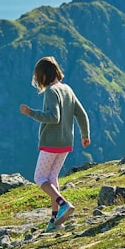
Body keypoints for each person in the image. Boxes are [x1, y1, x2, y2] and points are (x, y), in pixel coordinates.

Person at [19, 56, 91, 232]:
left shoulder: (51, 92)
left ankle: (63, 204)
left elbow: (53, 117)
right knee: (52, 179)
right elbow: (81, 113)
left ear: (43, 76)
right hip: (66, 143)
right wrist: (85, 134)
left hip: (51, 142)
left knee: (39, 178)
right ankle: (55, 221)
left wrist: (31, 113)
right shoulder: (67, 89)